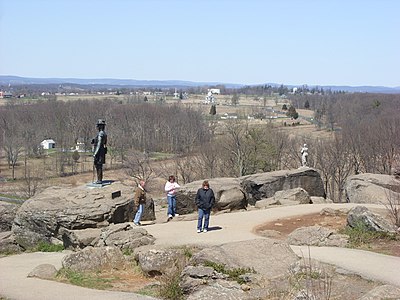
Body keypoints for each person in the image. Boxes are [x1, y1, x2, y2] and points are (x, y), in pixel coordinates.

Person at [91, 119, 108, 184]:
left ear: (100, 126)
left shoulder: (101, 134)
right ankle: (99, 179)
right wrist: (94, 140)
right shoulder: (104, 133)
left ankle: (99, 179)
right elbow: (104, 143)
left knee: (98, 166)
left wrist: (95, 154)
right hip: (101, 152)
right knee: (98, 166)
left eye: (98, 126)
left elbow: (99, 144)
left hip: (99, 153)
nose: (97, 127)